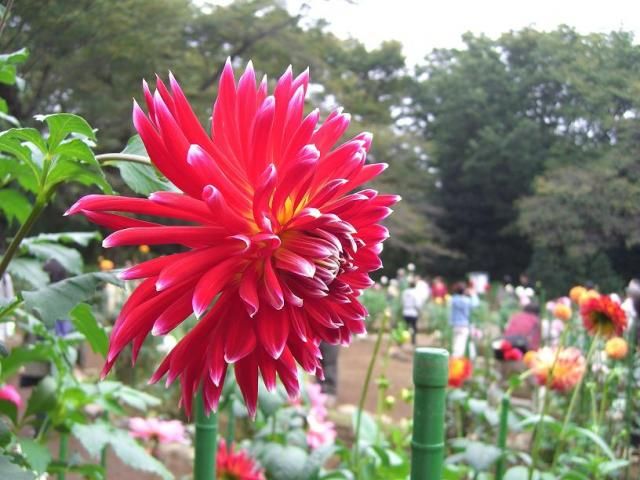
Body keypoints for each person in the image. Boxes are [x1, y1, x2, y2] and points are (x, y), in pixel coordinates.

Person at [449, 282, 479, 357]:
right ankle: (456, 364)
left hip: (455, 325)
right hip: (464, 325)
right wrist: (472, 294)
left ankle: (454, 361)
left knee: (455, 345)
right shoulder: (466, 301)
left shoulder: (453, 299)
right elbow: (476, 303)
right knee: (460, 348)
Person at [402, 280, 424, 345]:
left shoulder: (405, 292)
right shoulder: (416, 292)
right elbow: (418, 303)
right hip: (413, 312)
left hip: (406, 311)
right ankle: (413, 341)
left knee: (406, 327)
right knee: (413, 327)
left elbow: (402, 301)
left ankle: (404, 341)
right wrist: (419, 310)